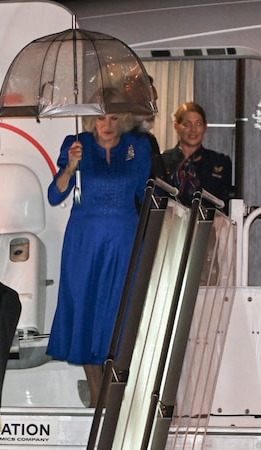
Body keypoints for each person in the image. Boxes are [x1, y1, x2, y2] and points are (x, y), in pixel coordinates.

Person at [46, 95, 151, 408]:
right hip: (85, 245)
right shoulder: (74, 143)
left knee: (118, 318)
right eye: (102, 118)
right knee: (86, 315)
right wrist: (72, 166)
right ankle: (97, 398)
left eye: (115, 119)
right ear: (91, 120)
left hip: (125, 242)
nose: (108, 125)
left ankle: (117, 396)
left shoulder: (138, 147)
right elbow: (54, 195)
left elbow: (146, 194)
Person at [162, 101, 233, 211]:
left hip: (208, 225)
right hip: (169, 224)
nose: (193, 130)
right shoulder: (163, 161)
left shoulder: (220, 162)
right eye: (187, 124)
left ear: (205, 127)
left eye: (198, 124)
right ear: (176, 126)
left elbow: (225, 204)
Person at [131, 75, 167, 185]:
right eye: (147, 102)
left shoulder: (150, 140)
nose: (154, 109)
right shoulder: (115, 139)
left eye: (154, 102)